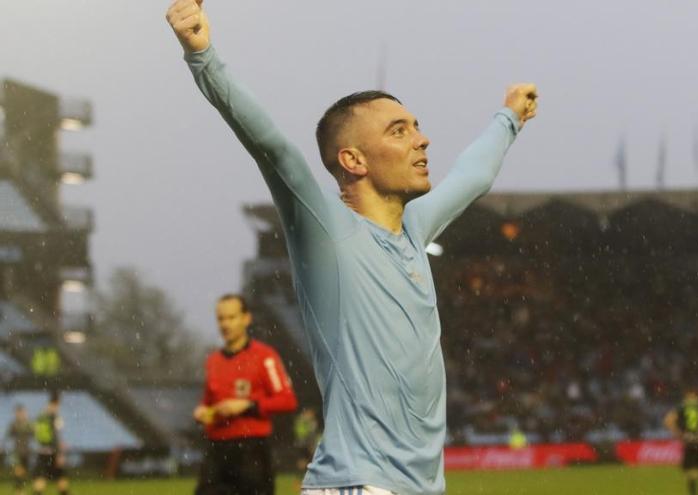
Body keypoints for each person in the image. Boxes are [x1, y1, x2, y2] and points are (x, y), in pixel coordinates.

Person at [165, 1, 537, 493]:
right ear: (353, 159)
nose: (422, 141)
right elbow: (273, 146)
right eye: (399, 131)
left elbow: (473, 175)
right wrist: (203, 55)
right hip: (356, 485)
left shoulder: (414, 228)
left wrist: (509, 116)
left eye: (417, 127)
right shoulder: (327, 230)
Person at [193, 294, 299, 495]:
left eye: (231, 317)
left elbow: (287, 400)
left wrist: (247, 406)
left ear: (246, 318)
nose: (225, 324)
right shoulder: (213, 360)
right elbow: (207, 401)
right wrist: (202, 412)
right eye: (221, 319)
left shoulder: (264, 356)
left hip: (252, 451)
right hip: (217, 451)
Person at [32, 391, 69, 495]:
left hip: (42, 450)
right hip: (52, 451)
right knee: (60, 476)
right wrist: (60, 453)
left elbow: (36, 432)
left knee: (42, 476)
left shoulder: (41, 415)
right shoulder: (54, 416)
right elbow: (55, 436)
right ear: (57, 402)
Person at [4, 404, 33, 495]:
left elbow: (34, 434)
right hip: (17, 451)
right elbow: (8, 436)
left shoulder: (29, 424)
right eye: (19, 412)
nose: (21, 414)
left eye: (23, 412)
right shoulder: (14, 424)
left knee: (24, 471)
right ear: (17, 413)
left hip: (27, 451)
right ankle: (18, 491)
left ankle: (21, 489)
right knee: (18, 471)